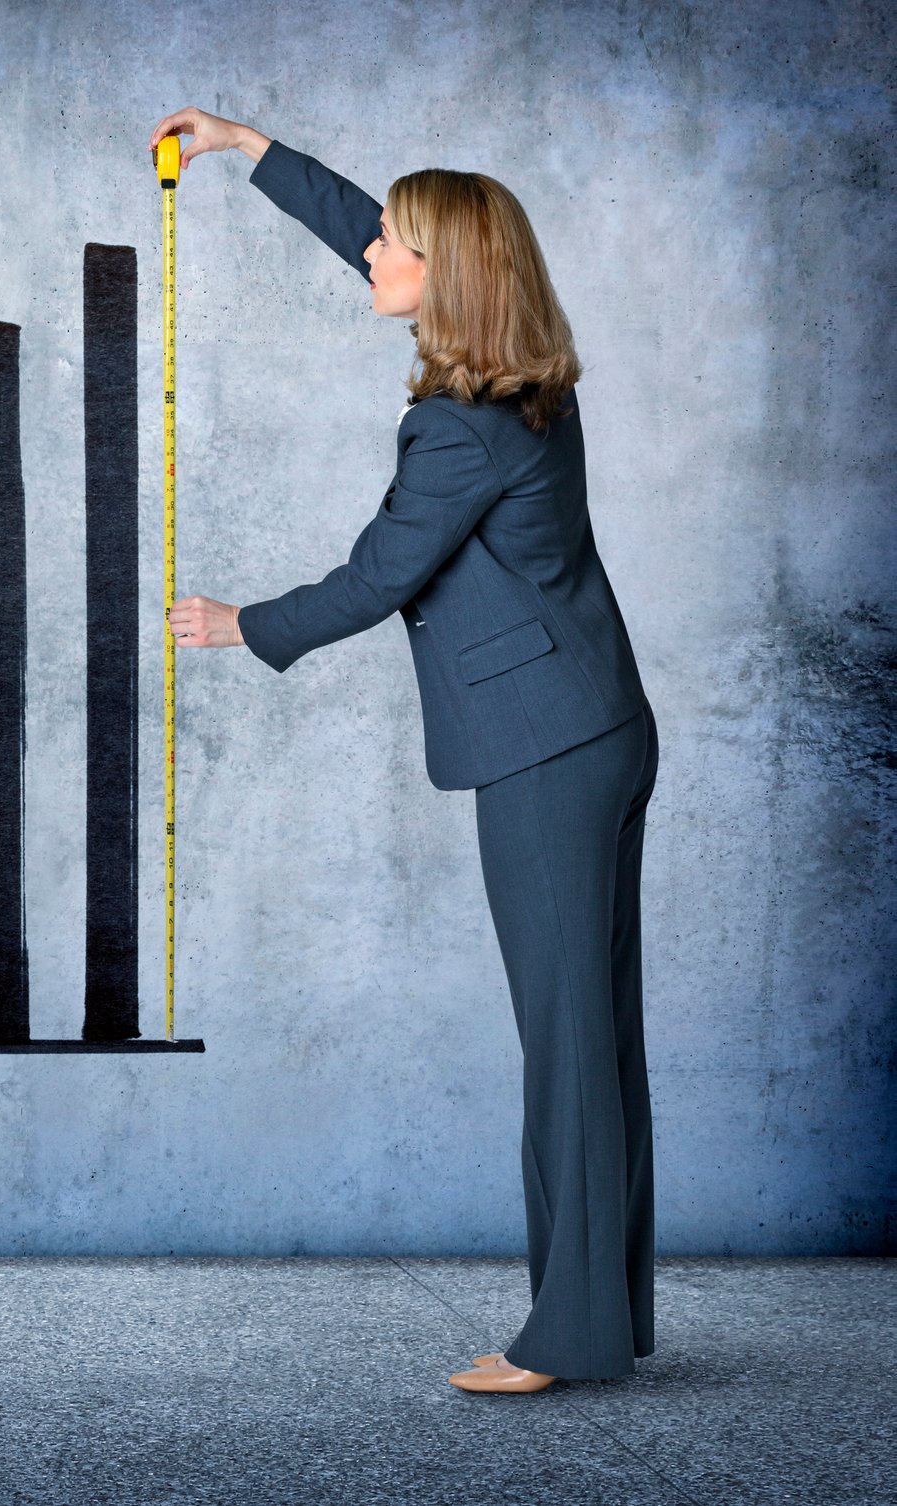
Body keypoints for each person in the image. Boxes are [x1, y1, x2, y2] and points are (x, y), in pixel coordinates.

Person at [149, 107, 659, 1395]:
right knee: (593, 1034)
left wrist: (239, 625)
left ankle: (574, 1336)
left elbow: (380, 575)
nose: (374, 253)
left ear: (453, 280)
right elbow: (370, 238)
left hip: (545, 751)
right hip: (597, 726)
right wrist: (249, 148)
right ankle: (606, 1315)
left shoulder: (457, 430)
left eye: (399, 246)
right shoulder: (524, 381)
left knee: (568, 1045)